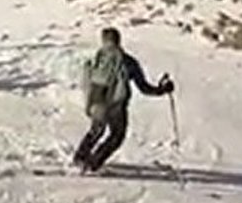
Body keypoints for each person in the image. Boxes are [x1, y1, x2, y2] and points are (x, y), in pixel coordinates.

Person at [74, 27, 174, 173]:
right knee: (117, 135)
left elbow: (86, 81)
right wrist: (162, 89)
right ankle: (93, 163)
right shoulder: (128, 62)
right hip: (115, 105)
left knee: (96, 130)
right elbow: (144, 88)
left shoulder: (96, 59)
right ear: (119, 41)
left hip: (96, 101)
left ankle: (80, 158)